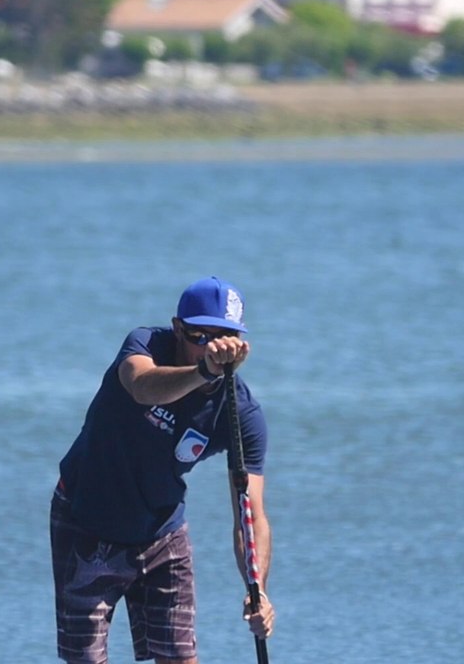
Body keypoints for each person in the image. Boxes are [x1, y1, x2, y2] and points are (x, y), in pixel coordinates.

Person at [51, 276, 275, 664]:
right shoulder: (145, 346)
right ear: (177, 329)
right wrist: (202, 372)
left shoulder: (242, 415)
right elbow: (141, 387)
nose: (214, 347)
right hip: (85, 522)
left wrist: (257, 591)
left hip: (161, 535)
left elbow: (249, 515)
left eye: (225, 337)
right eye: (200, 336)